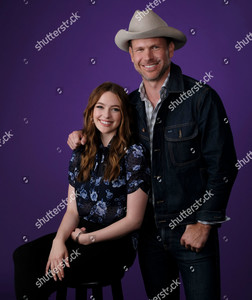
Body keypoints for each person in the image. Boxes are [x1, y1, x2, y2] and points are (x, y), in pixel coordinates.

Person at [67, 10, 238, 300]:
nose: (148, 56)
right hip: (148, 236)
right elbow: (108, 139)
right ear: (132, 56)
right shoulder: (128, 107)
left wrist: (205, 222)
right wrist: (82, 136)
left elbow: (222, 166)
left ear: (170, 49)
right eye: (140, 49)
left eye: (155, 47)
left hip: (192, 228)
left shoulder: (201, 98)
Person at [13, 82, 150, 300]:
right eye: (100, 107)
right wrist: (59, 240)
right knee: (23, 256)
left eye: (115, 109)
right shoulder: (81, 152)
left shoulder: (134, 153)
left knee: (45, 273)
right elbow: (72, 211)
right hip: (81, 232)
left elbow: (134, 220)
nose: (106, 114)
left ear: (124, 115)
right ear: (91, 111)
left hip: (115, 243)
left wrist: (89, 239)